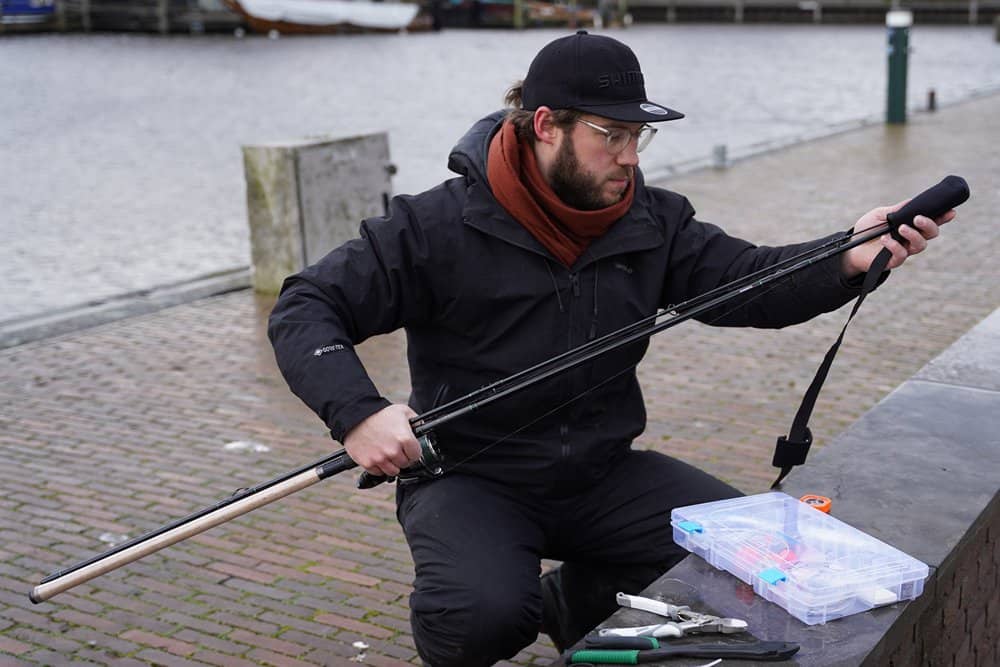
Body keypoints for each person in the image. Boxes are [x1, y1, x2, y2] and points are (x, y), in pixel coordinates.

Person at [268, 31, 952, 666]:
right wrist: (357, 411)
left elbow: (751, 283)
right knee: (483, 614)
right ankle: (503, 602)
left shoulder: (650, 220)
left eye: (638, 135)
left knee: (742, 560)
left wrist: (847, 257)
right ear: (545, 126)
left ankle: (577, 603)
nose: (629, 156)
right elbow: (305, 305)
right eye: (611, 134)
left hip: (601, 470)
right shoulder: (435, 225)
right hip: (469, 474)